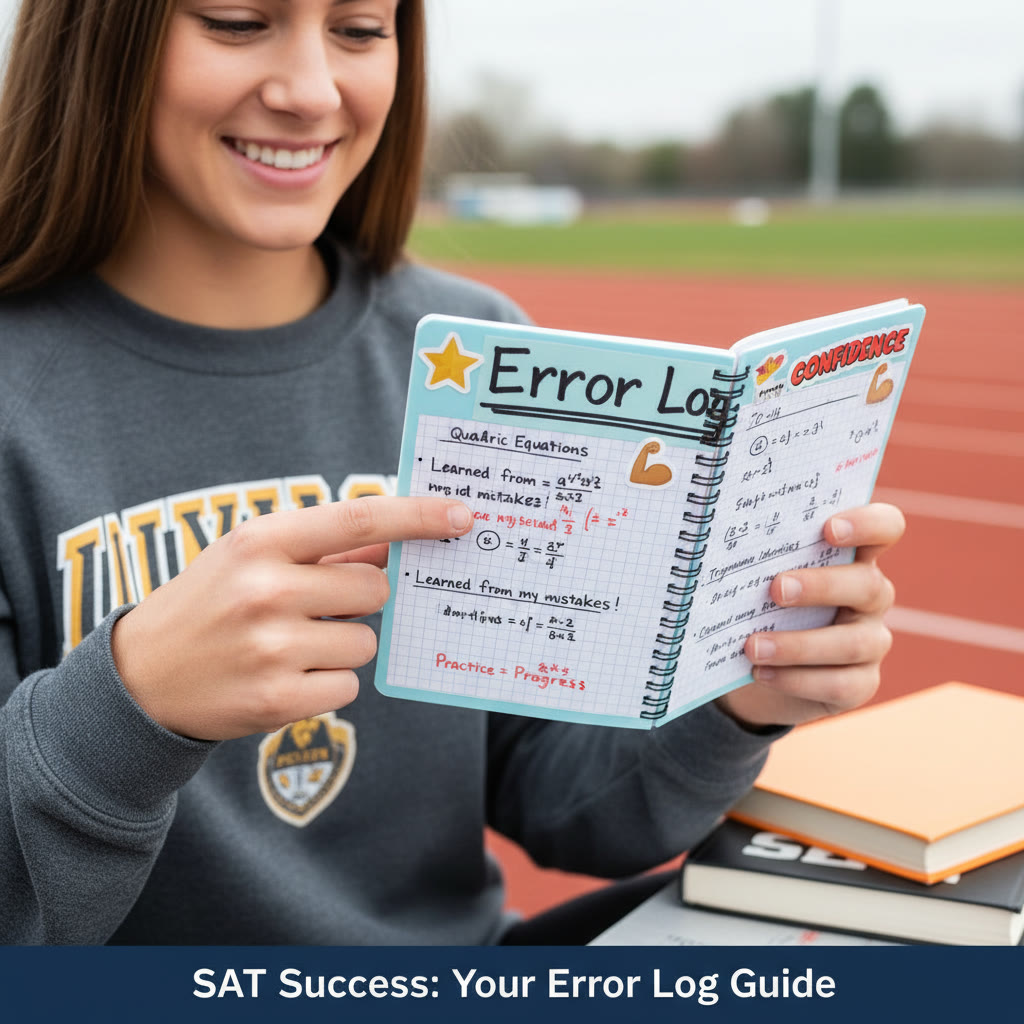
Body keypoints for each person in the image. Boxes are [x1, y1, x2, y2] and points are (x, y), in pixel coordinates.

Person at [0, 0, 903, 945]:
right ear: (100, 41)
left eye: (358, 31)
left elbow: (568, 798)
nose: (312, 91)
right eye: (236, 21)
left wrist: (737, 699)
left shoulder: (480, 353)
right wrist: (131, 706)